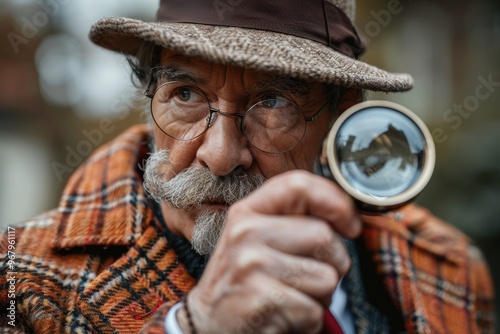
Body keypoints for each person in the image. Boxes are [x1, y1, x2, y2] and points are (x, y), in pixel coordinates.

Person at [0, 0, 495, 333]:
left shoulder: (448, 265)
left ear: (342, 116)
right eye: (186, 94)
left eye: (272, 100)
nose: (219, 154)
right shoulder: (17, 275)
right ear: (151, 95)